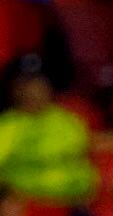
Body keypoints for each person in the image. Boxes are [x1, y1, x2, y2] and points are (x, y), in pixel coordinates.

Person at [0, 66, 98, 203]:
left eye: (39, 84)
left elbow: (84, 158)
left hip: (73, 202)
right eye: (26, 85)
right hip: (27, 204)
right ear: (15, 90)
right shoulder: (6, 126)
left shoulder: (68, 121)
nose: (33, 91)